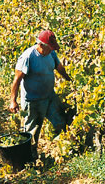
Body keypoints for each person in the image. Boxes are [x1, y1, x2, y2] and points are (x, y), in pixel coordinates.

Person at [9, 29, 71, 158]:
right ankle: (30, 159)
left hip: (49, 96)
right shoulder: (28, 57)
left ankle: (66, 150)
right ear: (41, 45)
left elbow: (59, 68)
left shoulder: (51, 54)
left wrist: (70, 80)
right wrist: (12, 101)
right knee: (31, 133)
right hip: (33, 101)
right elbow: (17, 80)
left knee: (60, 121)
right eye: (50, 48)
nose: (52, 50)